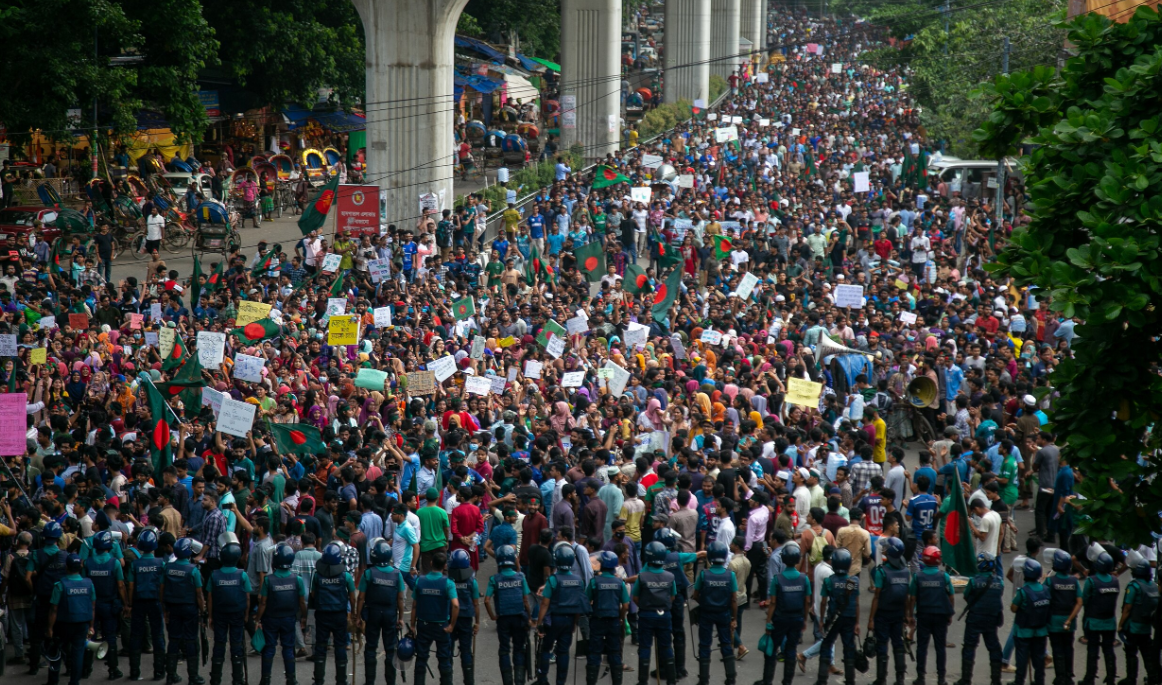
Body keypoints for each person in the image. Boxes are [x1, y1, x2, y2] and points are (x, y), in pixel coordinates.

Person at [655, 528, 706, 680]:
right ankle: (680, 668)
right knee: (678, 633)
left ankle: (664, 668)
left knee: (662, 635)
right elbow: (699, 555)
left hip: (659, 601)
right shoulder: (677, 556)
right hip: (677, 599)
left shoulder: (653, 560)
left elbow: (642, 576)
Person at [355, 538, 406, 685]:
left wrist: (358, 616)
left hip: (373, 614)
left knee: (371, 647)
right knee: (390, 649)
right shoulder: (397, 574)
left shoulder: (369, 573)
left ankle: (369, 681)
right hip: (390, 614)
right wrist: (400, 618)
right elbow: (400, 599)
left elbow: (361, 597)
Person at [535, 545, 586, 685]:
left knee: (546, 649)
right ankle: (560, 682)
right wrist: (574, 623)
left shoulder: (553, 580)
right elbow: (578, 605)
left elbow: (545, 604)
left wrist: (539, 623)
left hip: (553, 621)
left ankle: (543, 679)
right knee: (563, 652)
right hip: (569, 621)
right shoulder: (578, 581)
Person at [485, 545, 535, 685]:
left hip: (503, 619)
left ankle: (507, 681)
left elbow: (486, 600)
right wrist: (530, 618)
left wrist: (492, 616)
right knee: (519, 649)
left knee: (504, 649)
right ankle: (519, 681)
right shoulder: (520, 577)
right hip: (519, 618)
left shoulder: (495, 579)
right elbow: (526, 600)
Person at [257, 543, 305, 685]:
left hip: (271, 619)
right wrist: (304, 617)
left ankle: (265, 679)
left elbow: (263, 602)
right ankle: (291, 679)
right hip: (289, 619)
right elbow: (302, 602)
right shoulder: (297, 579)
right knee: (288, 649)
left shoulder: (268, 580)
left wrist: (257, 619)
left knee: (269, 648)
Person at [759, 541, 807, 685]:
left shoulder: (777, 579)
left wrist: (768, 621)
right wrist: (804, 620)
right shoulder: (804, 579)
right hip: (797, 618)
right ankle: (787, 682)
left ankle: (767, 680)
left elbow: (772, 602)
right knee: (791, 650)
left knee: (772, 649)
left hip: (780, 618)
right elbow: (807, 601)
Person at [159, 537, 205, 685]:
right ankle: (193, 677)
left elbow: (162, 589)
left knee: (173, 639)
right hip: (189, 608)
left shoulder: (167, 568)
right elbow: (199, 594)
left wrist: (164, 609)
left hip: (173, 608)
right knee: (191, 640)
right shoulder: (193, 570)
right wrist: (202, 611)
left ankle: (170, 675)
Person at [691, 541, 737, 685]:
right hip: (724, 613)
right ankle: (731, 678)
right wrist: (733, 618)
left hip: (706, 613)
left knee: (705, 645)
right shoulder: (730, 575)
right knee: (726, 644)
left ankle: (704, 680)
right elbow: (734, 599)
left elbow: (695, 594)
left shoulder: (704, 574)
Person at [311, 542, 356, 685]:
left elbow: (312, 594)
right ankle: (341, 680)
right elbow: (352, 597)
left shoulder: (317, 576)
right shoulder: (346, 576)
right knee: (340, 646)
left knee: (320, 647)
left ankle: (318, 681)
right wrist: (353, 613)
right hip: (339, 615)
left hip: (322, 615)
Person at [410, 551, 458, 685]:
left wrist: (412, 626)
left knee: (421, 659)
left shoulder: (420, 581)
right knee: (444, 661)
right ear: (444, 566)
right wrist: (452, 626)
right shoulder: (448, 584)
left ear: (431, 563)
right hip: (441, 626)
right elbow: (455, 605)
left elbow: (414, 606)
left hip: (423, 625)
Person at [907, 546, 954, 685]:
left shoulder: (918, 577)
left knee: (922, 646)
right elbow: (951, 595)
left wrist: (910, 616)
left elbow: (912, 598)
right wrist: (950, 612)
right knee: (940, 648)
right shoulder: (944, 576)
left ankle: (921, 677)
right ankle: (941, 678)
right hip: (940, 615)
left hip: (923, 616)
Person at [633, 541, 678, 685]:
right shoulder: (670, 576)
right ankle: (671, 680)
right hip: (664, 615)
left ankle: (642, 681)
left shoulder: (642, 576)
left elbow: (635, 597)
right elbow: (673, 596)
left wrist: (645, 606)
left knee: (645, 647)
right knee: (666, 647)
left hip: (646, 615)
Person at [956, 553, 1005, 685]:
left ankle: (966, 679)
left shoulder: (973, 581)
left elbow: (966, 596)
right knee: (994, 648)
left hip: (975, 618)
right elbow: (999, 595)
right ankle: (996, 680)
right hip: (992, 619)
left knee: (969, 647)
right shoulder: (999, 582)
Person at [46, 553, 95, 685]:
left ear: (66, 567)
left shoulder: (60, 585)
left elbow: (53, 609)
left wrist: (50, 628)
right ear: (80, 567)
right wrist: (91, 626)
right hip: (82, 624)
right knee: (78, 654)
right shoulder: (89, 584)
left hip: (63, 625)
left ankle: (53, 681)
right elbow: (92, 607)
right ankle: (74, 682)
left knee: (56, 652)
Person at [27, 520, 67, 677]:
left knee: (37, 635)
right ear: (58, 538)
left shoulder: (36, 554)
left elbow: (27, 577)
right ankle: (67, 666)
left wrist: (34, 590)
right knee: (62, 634)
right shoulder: (65, 555)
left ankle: (34, 666)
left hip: (42, 599)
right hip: (60, 602)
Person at [207, 542, 250, 685]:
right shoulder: (242, 575)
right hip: (237, 614)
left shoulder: (214, 575)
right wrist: (246, 614)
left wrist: (210, 616)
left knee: (219, 644)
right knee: (236, 644)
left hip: (220, 614)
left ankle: (215, 679)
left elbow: (210, 597)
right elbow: (247, 597)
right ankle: (238, 679)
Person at [867, 537, 909, 685]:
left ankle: (881, 679)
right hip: (898, 614)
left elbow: (876, 597)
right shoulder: (905, 571)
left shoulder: (881, 572)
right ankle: (900, 679)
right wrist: (906, 616)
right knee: (898, 645)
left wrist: (871, 619)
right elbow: (906, 597)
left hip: (883, 615)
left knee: (882, 646)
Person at [127, 528, 168, 681]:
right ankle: (159, 672)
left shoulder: (135, 564)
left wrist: (129, 604)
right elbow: (163, 585)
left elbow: (130, 585)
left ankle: (134, 672)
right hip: (155, 601)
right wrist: (163, 604)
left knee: (136, 636)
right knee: (158, 635)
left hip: (138, 602)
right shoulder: (160, 563)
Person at [85, 530, 126, 679]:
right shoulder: (114, 562)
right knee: (110, 637)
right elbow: (121, 585)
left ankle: (85, 669)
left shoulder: (88, 562)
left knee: (90, 637)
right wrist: (126, 604)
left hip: (92, 606)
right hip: (110, 605)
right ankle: (113, 670)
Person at [815, 548, 859, 685]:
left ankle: (822, 680)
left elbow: (823, 602)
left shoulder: (829, 581)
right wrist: (857, 623)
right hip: (850, 617)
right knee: (849, 647)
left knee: (826, 645)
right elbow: (857, 604)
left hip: (833, 618)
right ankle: (850, 680)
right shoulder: (854, 581)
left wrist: (821, 620)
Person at [586, 550, 630, 685]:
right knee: (614, 654)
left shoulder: (594, 582)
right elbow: (626, 605)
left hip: (597, 621)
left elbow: (586, 601)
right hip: (614, 621)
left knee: (594, 654)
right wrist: (621, 618)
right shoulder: (619, 582)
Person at [1118, 559, 1159, 685]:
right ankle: (1153, 678)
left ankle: (1131, 679)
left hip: (1133, 626)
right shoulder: (1153, 585)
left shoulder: (1134, 586)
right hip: (1146, 626)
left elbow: (1127, 608)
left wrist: (1120, 625)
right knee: (1147, 653)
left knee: (1131, 653)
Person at [1080, 551, 1119, 685]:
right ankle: (1111, 678)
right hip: (1110, 622)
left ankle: (1089, 678)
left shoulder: (1091, 581)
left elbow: (1084, 599)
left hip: (1093, 622)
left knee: (1092, 651)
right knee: (1109, 651)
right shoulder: (1115, 581)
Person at [1011, 559, 1050, 685]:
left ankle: (1019, 682)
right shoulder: (1045, 589)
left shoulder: (1022, 592)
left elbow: (1013, 608)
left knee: (1021, 661)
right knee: (1039, 660)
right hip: (1041, 632)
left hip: (1023, 632)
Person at [1046, 549, 1081, 685]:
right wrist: (1069, 619)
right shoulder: (1074, 581)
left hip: (1054, 621)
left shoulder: (1050, 581)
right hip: (1070, 623)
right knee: (1068, 648)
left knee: (1057, 649)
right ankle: (1068, 676)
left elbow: (1043, 598)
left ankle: (1060, 677)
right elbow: (1079, 602)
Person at [448, 549, 481, 685]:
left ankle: (447, 679)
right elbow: (476, 604)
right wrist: (477, 622)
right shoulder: (472, 582)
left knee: (447, 650)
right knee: (466, 651)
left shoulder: (448, 581)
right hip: (466, 619)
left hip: (450, 619)